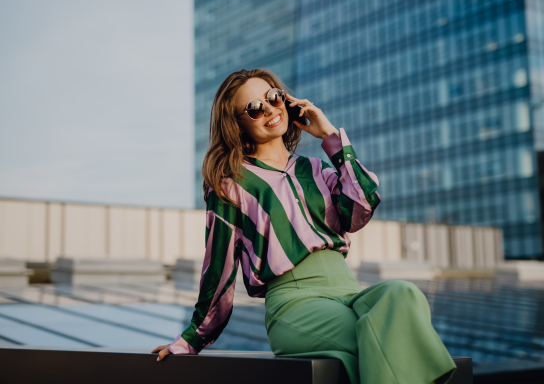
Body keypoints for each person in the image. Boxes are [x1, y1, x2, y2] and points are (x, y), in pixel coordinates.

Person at [151, 68, 457, 384]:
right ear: (238, 125)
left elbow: (364, 204)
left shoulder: (317, 169)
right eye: (254, 109)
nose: (269, 109)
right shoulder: (232, 186)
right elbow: (219, 271)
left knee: (403, 293)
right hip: (296, 305)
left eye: (273, 97)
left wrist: (329, 137)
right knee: (389, 339)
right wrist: (191, 341)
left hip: (349, 291)